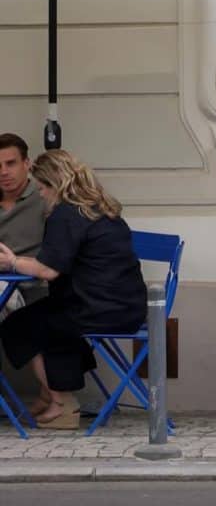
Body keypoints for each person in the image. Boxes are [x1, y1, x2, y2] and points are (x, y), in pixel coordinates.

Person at [0, 150, 146, 429]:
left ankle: (61, 404)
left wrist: (12, 262)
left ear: (55, 185)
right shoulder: (98, 207)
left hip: (97, 309)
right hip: (126, 306)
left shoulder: (65, 214)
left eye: (42, 188)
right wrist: (18, 262)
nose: (41, 194)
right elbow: (57, 262)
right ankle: (49, 396)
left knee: (20, 325)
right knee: (46, 316)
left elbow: (48, 270)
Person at [0, 134, 47, 316]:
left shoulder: (45, 196)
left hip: (34, 288)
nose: (4, 172)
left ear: (27, 164)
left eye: (11, 163)